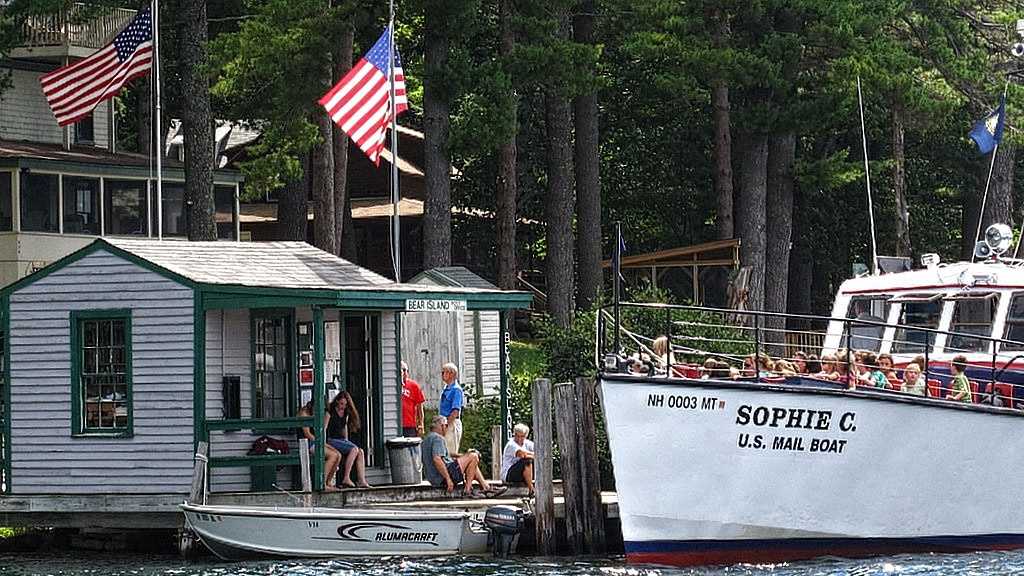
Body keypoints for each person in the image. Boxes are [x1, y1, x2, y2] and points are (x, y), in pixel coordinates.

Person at [421, 415, 497, 496]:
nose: (447, 428)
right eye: (446, 425)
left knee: (472, 462)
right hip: (442, 477)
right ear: (442, 426)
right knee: (474, 456)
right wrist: (448, 479)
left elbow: (445, 455)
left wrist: (463, 455)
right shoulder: (438, 438)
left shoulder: (427, 439)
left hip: (433, 478)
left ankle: (486, 487)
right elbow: (437, 459)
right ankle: (467, 490)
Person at [326, 391, 371, 488]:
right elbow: (325, 428)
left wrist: (346, 441)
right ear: (337, 401)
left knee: (360, 452)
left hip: (341, 440)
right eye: (342, 403)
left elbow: (344, 428)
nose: (343, 406)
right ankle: (346, 477)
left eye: (345, 404)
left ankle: (361, 480)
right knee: (354, 449)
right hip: (331, 440)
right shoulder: (330, 412)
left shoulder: (345, 413)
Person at [298, 400, 341, 492]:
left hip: (317, 442)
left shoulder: (322, 414)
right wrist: (320, 442)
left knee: (338, 455)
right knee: (332, 455)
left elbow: (322, 432)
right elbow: (307, 434)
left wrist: (326, 420)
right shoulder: (304, 413)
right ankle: (322, 483)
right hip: (307, 443)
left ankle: (328, 482)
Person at [501, 423, 535, 495]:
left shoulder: (528, 444)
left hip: (522, 473)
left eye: (522, 436)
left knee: (531, 461)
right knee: (527, 460)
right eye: (517, 436)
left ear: (526, 436)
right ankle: (531, 489)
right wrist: (536, 456)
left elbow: (540, 452)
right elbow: (523, 455)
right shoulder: (511, 445)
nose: (519, 439)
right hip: (508, 474)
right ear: (514, 434)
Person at [439, 362, 465, 454]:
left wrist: (446, 425)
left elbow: (455, 411)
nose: (442, 375)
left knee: (451, 452)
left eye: (444, 372)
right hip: (444, 423)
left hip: (451, 424)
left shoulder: (456, 390)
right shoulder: (447, 388)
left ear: (451, 374)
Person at [400, 361, 425, 437]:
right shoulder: (392, 385)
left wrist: (421, 424)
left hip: (410, 425)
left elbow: (420, 407)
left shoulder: (413, 386)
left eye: (405, 370)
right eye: (401, 370)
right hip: (395, 424)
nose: (403, 372)